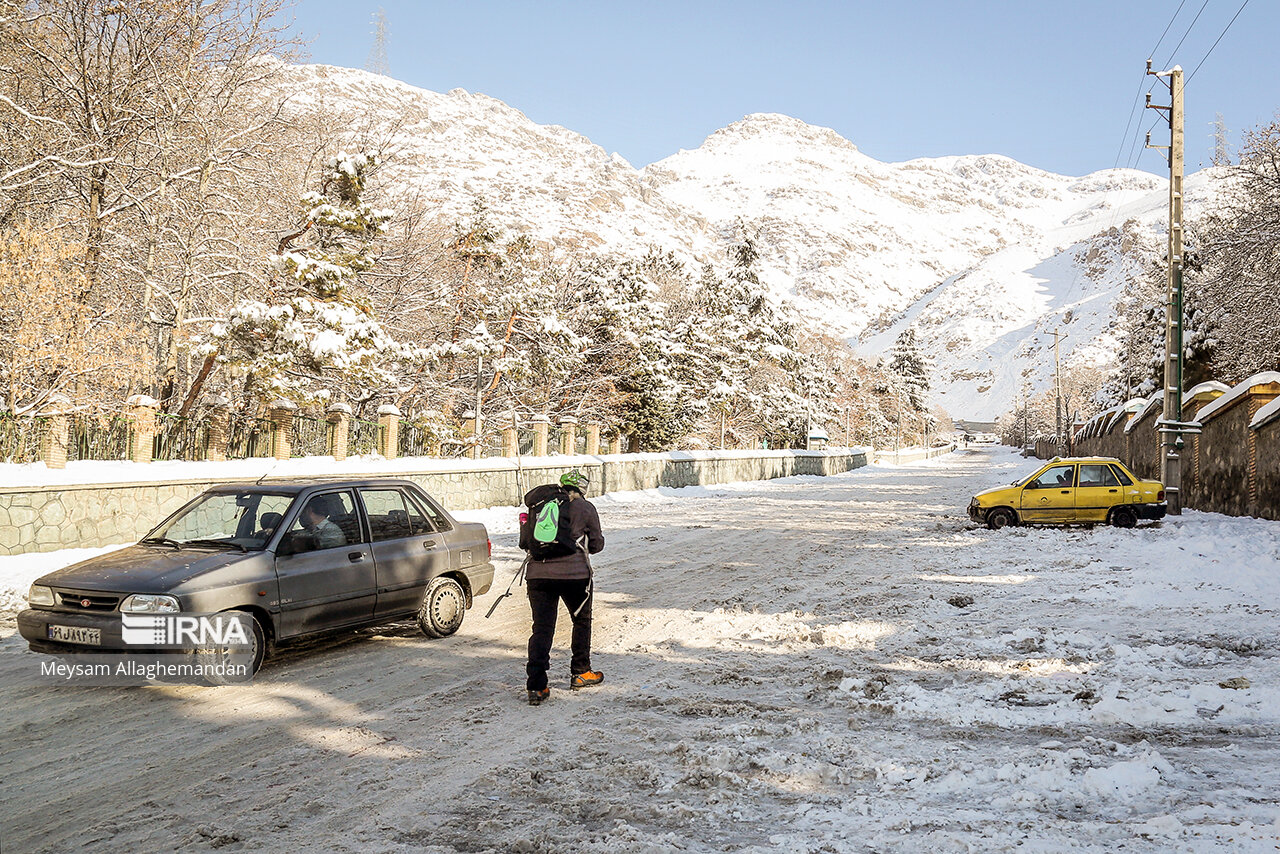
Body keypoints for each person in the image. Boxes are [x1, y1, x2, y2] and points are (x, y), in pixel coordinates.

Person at [524, 469, 605, 706]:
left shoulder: (539, 505)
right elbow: (597, 545)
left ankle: (537, 687)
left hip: (537, 576)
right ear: (581, 488)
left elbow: (524, 542)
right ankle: (581, 672)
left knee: (542, 628)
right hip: (575, 576)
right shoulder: (585, 508)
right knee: (581, 621)